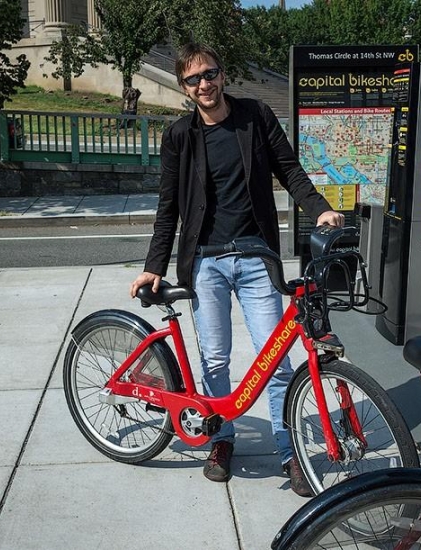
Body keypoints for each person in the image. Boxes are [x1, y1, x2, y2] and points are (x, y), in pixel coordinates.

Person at [129, 43, 344, 497]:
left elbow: (290, 171)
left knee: (275, 362)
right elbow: (168, 208)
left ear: (222, 75)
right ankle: (221, 440)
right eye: (193, 79)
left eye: (210, 74)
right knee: (215, 360)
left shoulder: (255, 116)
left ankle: (290, 452)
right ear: (185, 87)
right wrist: (154, 266)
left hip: (254, 257)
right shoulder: (180, 136)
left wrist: (320, 209)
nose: (204, 84)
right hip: (205, 260)